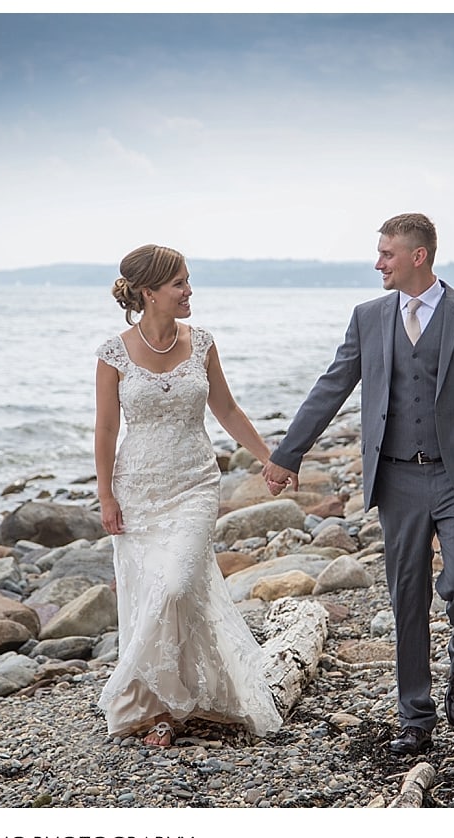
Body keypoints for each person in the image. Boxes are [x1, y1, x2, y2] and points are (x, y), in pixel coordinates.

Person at [262, 213, 454, 756]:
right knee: (407, 599)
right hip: (396, 477)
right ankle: (415, 717)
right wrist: (288, 454)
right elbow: (331, 388)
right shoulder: (368, 318)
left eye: (387, 254)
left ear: (418, 255)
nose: (378, 263)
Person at [94, 244, 283, 748]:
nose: (189, 291)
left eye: (187, 280)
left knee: (177, 585)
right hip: (137, 490)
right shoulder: (113, 353)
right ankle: (159, 708)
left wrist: (269, 457)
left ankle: (166, 692)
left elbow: (226, 408)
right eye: (178, 283)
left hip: (195, 483)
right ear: (148, 292)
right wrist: (106, 495)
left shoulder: (202, 343)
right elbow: (106, 429)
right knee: (150, 594)